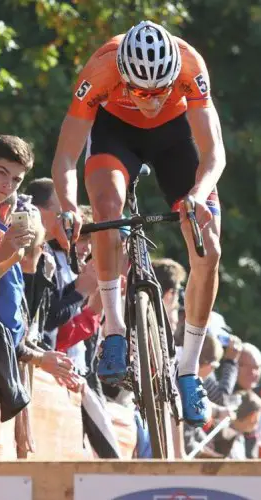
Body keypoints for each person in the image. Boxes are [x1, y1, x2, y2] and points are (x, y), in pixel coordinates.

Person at [50, 20, 226, 427]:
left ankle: (187, 369)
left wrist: (197, 195)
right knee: (108, 211)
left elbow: (214, 154)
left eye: (159, 92)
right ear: (123, 78)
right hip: (116, 135)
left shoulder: (189, 66)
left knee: (209, 246)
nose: (149, 101)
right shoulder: (100, 70)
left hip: (175, 139)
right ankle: (114, 330)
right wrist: (68, 206)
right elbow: (65, 158)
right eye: (140, 92)